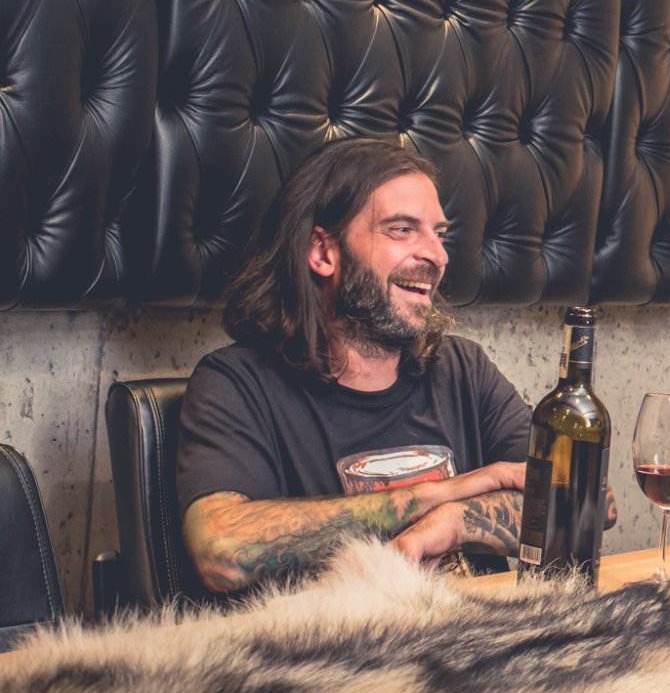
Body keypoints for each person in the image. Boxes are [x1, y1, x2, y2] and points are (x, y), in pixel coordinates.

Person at [178, 140, 534, 592]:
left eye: (439, 234)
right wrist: (435, 494)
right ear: (323, 253)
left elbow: (590, 502)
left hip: (484, 628)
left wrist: (456, 521)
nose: (438, 256)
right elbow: (222, 550)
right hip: (339, 636)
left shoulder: (464, 370)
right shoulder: (237, 384)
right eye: (402, 229)